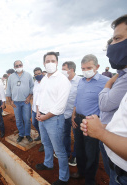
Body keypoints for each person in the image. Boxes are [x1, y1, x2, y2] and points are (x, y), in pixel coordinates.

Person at [81, 14, 127, 185]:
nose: (112, 44)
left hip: (121, 168)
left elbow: (104, 103)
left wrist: (101, 131)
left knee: (93, 157)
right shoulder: (120, 77)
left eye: (117, 38)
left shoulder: (106, 80)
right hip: (103, 132)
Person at [71, 54, 109, 185]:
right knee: (79, 149)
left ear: (97, 67)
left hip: (92, 122)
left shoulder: (105, 82)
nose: (86, 70)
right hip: (78, 119)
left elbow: (109, 103)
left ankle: (89, 180)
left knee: (91, 153)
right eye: (83, 68)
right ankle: (81, 172)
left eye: (89, 67)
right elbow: (77, 98)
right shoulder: (81, 81)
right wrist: (73, 114)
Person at [35, 52, 71, 185]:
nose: (50, 63)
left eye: (52, 60)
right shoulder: (44, 79)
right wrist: (38, 112)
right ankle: (48, 163)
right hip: (42, 117)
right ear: (44, 63)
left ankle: (64, 178)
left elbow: (60, 106)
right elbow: (39, 97)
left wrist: (45, 116)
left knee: (59, 149)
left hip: (54, 119)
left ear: (57, 63)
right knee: (46, 143)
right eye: (47, 61)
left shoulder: (62, 80)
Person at [6, 60, 34, 143]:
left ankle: (27, 134)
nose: (18, 67)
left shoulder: (28, 75)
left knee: (27, 119)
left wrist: (29, 97)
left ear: (22, 65)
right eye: (17, 66)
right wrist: (10, 101)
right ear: (14, 67)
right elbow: (8, 90)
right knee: (18, 120)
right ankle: (21, 134)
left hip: (26, 102)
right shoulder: (11, 77)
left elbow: (32, 87)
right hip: (15, 103)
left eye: (20, 65)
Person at [61, 61, 81, 167]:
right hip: (64, 113)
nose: (62, 71)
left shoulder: (80, 81)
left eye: (64, 69)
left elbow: (80, 99)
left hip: (75, 115)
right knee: (65, 134)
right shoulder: (63, 81)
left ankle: (75, 156)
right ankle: (66, 152)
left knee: (77, 137)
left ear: (71, 70)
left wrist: (75, 113)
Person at [32, 67, 44, 152]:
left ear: (42, 73)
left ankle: (44, 143)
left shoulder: (45, 83)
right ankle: (40, 135)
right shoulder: (35, 83)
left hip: (42, 110)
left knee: (42, 127)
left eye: (39, 74)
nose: (37, 75)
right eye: (36, 74)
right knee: (34, 123)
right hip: (34, 109)